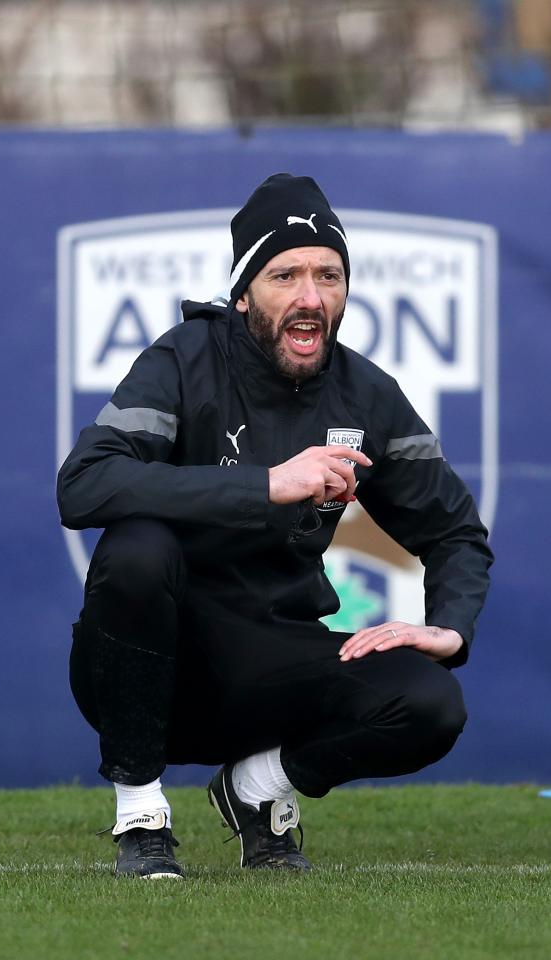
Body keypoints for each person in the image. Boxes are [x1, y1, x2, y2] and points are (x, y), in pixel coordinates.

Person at [56, 173, 492, 878]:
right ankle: (141, 813)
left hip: (273, 667)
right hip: (151, 670)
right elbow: (83, 484)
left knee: (431, 704)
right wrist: (267, 485)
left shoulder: (367, 394)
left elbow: (456, 534)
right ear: (243, 294)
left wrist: (451, 625)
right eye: (285, 274)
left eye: (329, 274)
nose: (310, 296)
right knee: (138, 548)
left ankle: (257, 789)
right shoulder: (184, 360)